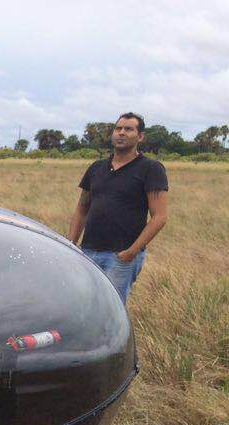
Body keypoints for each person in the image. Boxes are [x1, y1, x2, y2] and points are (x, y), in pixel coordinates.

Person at [68, 112, 169, 303]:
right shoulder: (97, 168)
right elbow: (82, 208)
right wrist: (71, 245)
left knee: (110, 308)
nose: (121, 133)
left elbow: (160, 217)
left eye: (128, 129)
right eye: (118, 128)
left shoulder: (150, 168)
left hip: (120, 256)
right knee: (83, 305)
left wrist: (132, 252)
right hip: (88, 252)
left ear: (140, 136)